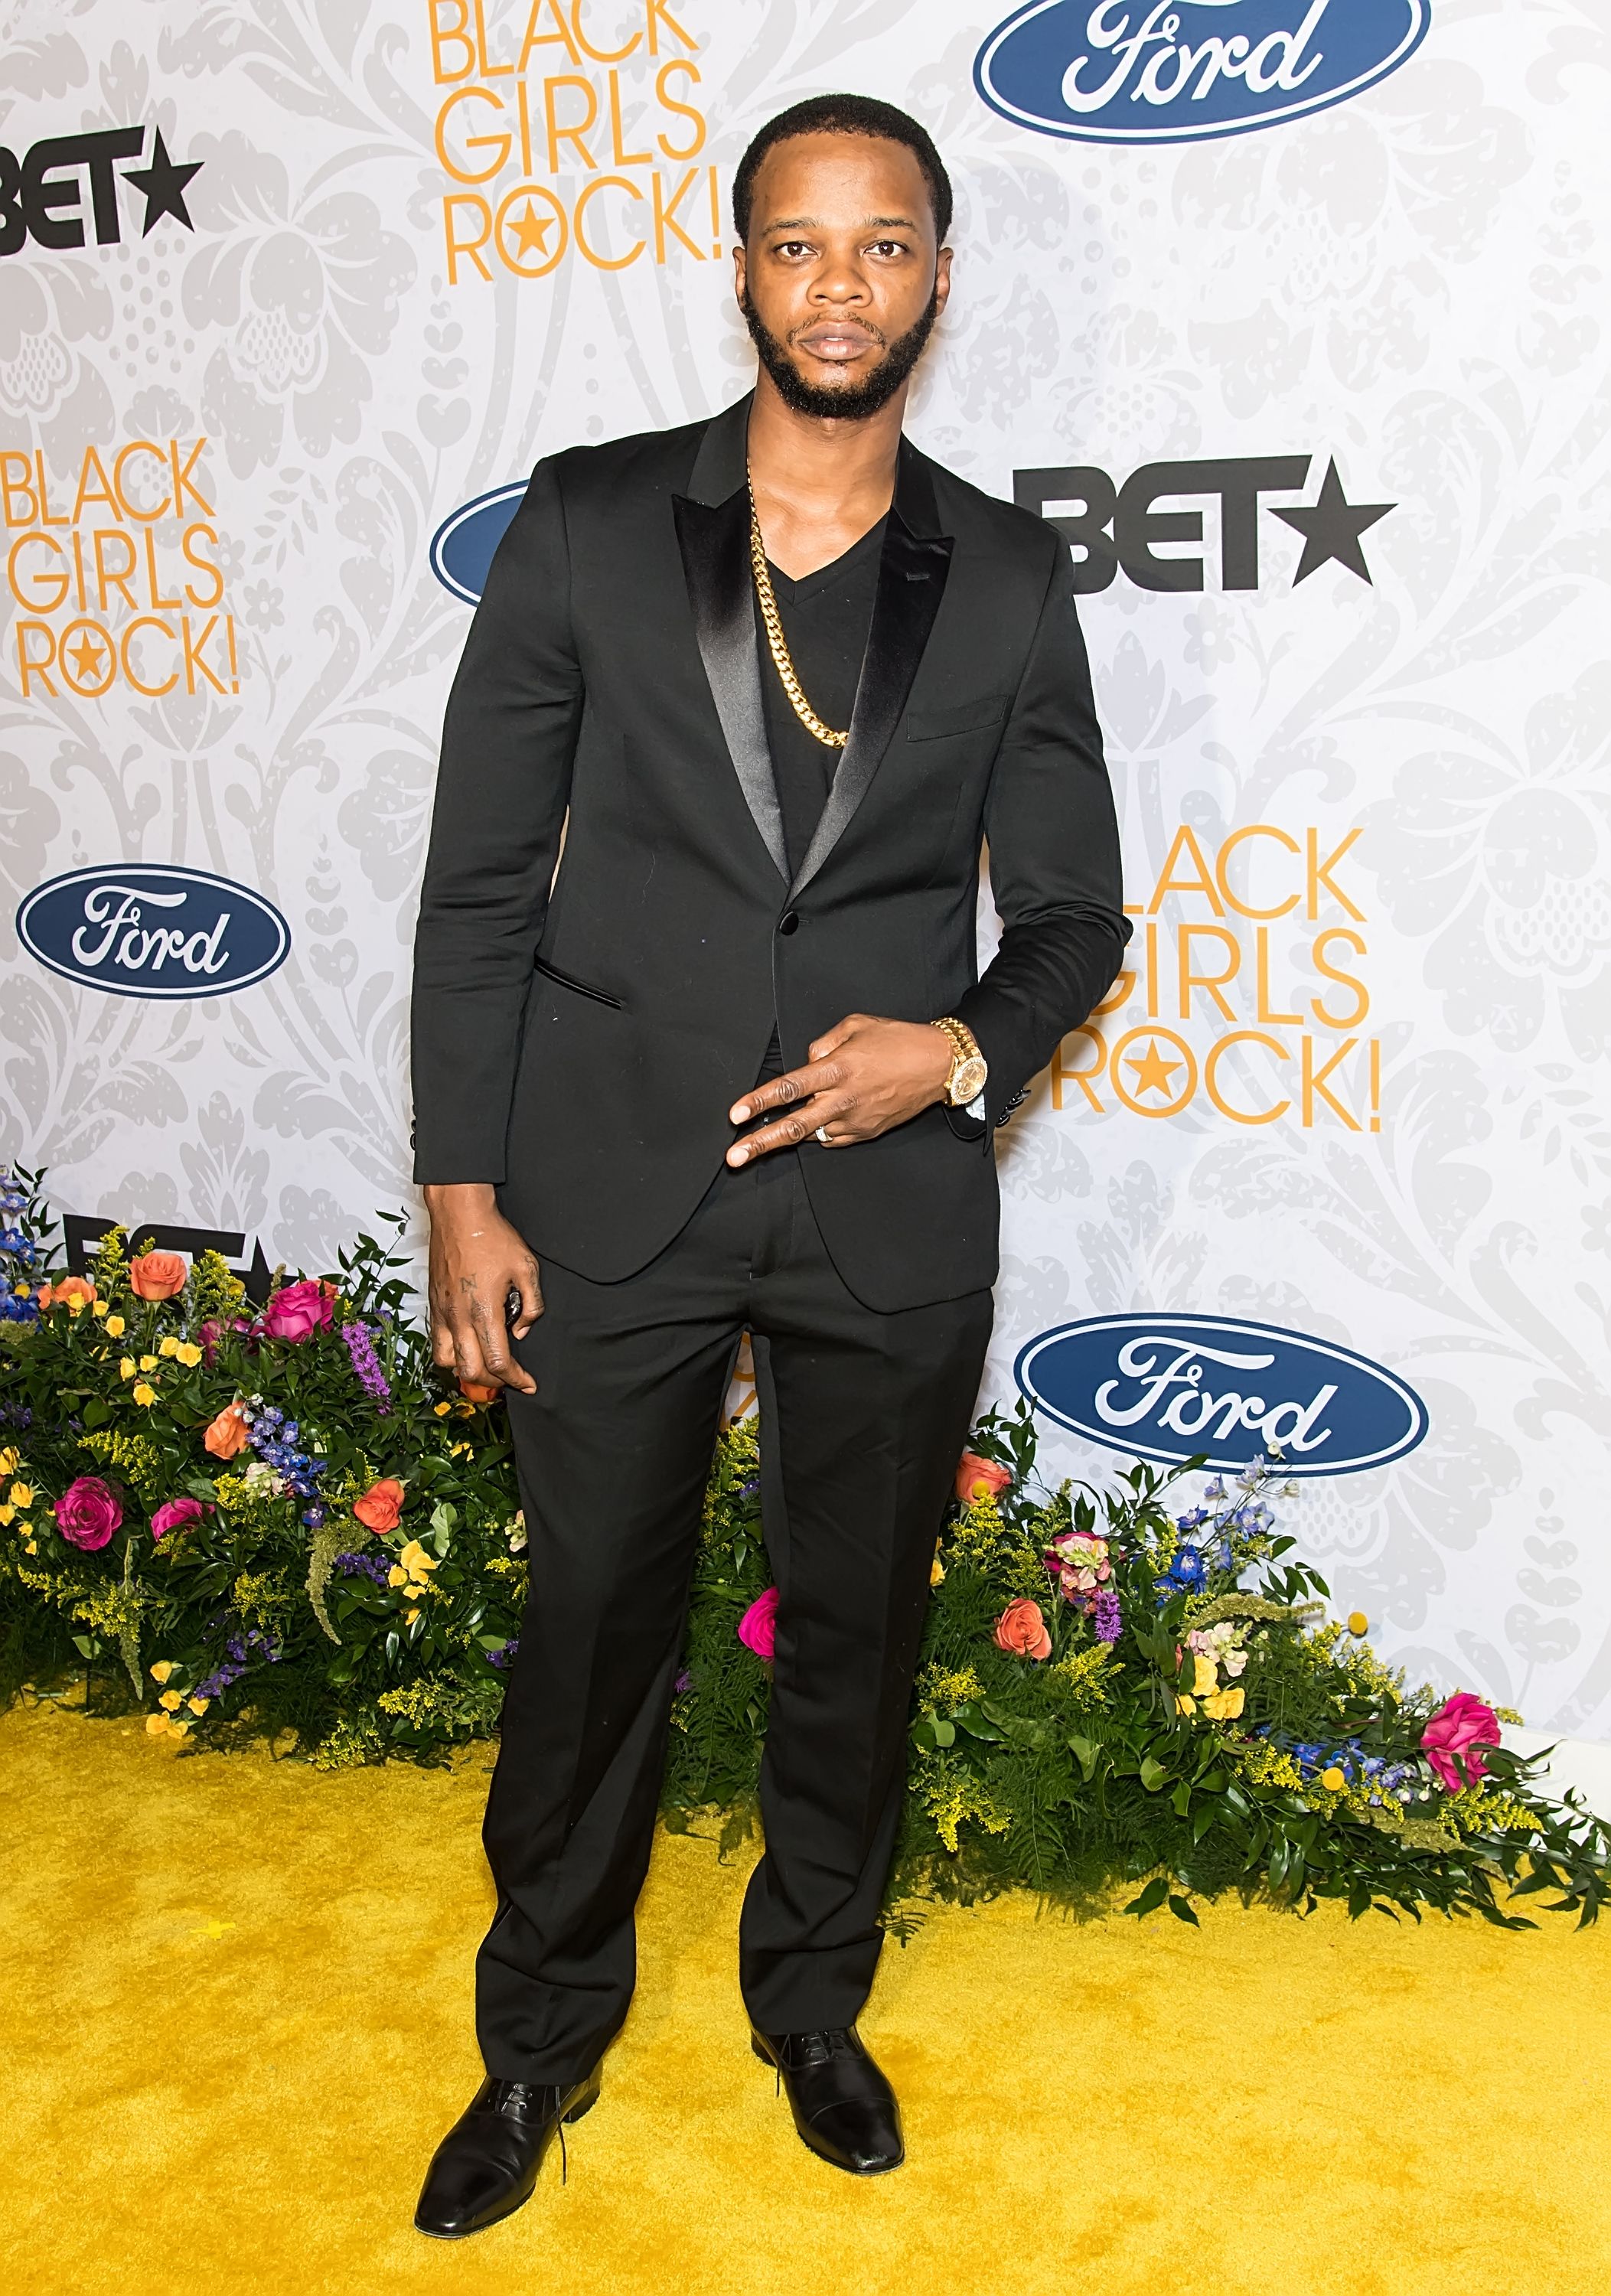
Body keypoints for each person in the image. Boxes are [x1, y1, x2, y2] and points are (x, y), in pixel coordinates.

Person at [408, 92, 1129, 2238]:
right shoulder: (585, 523)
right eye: (797, 244)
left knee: (853, 1636)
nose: (839, 282)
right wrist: (462, 1192)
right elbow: (473, 892)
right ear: (739, 270)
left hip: (884, 1212)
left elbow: (1075, 915)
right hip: (607, 1180)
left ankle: (811, 2004)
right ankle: (535, 2047)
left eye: (882, 243)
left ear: (933, 276)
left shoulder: (1001, 574)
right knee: (591, 1635)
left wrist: (963, 1049)